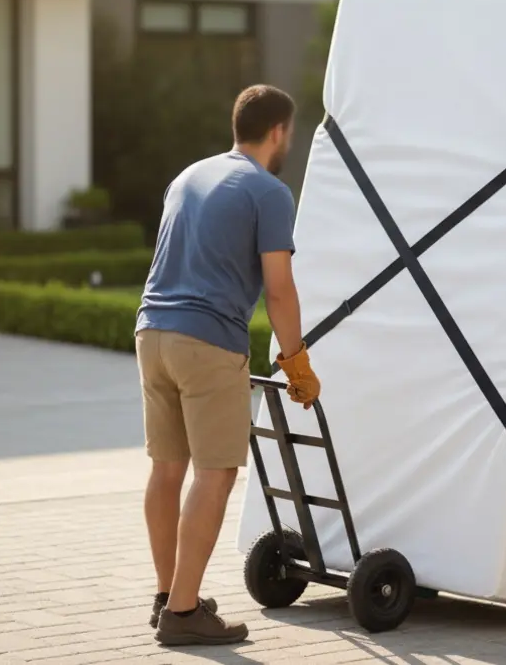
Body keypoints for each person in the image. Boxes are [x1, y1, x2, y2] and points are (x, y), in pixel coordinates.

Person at [135, 84, 321, 646]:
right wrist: (297, 363)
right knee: (214, 474)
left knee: (167, 470)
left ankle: (169, 597)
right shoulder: (269, 192)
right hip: (208, 342)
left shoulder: (188, 176)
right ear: (279, 132)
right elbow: (280, 291)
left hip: (152, 331)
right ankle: (186, 613)